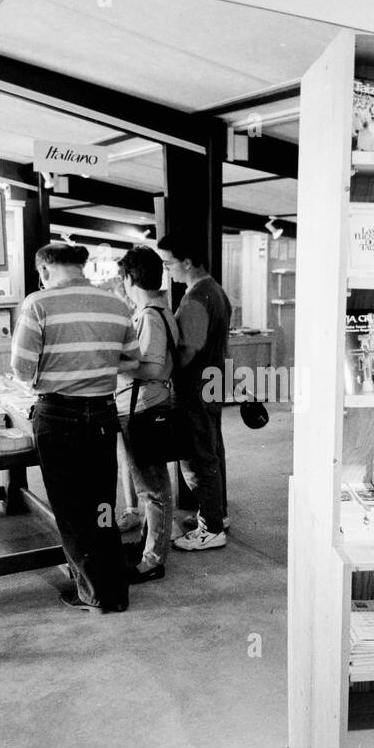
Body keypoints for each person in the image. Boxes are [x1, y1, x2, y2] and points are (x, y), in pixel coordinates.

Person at [12, 242, 139, 613]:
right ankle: (114, 590)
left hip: (58, 416)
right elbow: (131, 359)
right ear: (82, 268)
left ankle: (93, 594)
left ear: (45, 270)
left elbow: (21, 369)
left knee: (70, 509)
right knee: (101, 505)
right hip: (102, 414)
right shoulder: (116, 304)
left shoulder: (38, 303)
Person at [158, 231, 231, 552]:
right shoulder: (216, 290)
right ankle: (216, 514)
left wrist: (163, 371)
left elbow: (187, 349)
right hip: (213, 383)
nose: (167, 269)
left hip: (195, 388)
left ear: (187, 262)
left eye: (169, 263)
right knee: (213, 451)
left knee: (199, 457)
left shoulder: (196, 299)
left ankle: (211, 528)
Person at [114, 246, 180, 584]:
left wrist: (116, 362)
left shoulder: (151, 315)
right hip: (143, 406)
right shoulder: (158, 311)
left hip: (144, 407)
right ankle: (147, 548)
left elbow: (153, 367)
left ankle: (153, 559)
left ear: (129, 278)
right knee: (150, 486)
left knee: (153, 489)